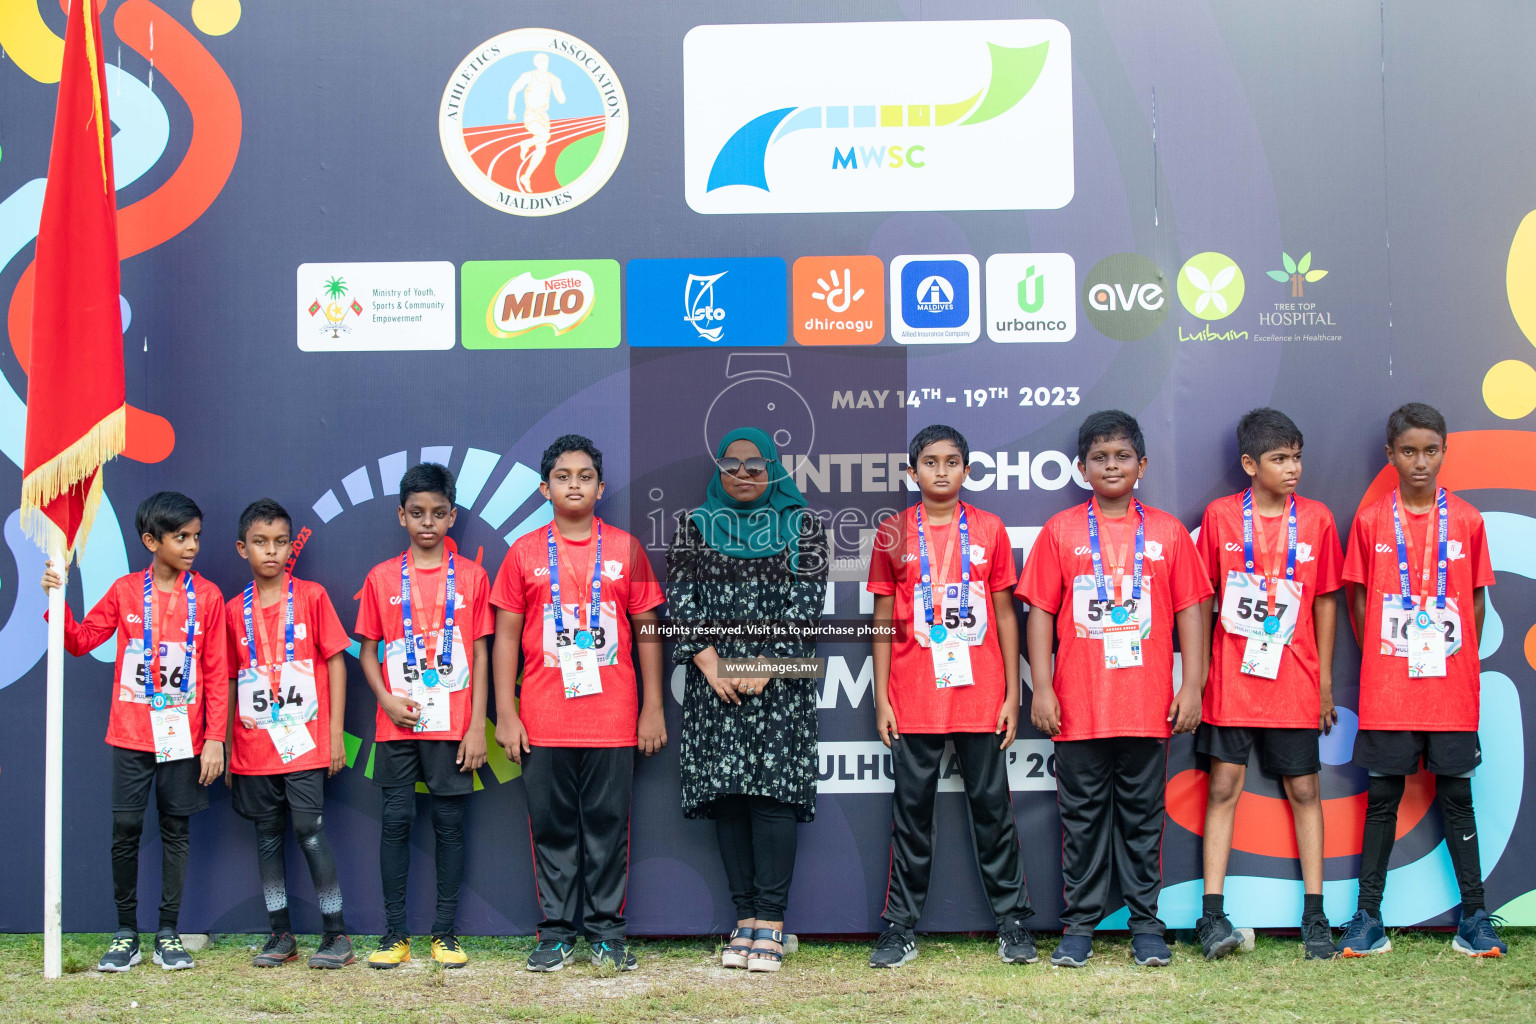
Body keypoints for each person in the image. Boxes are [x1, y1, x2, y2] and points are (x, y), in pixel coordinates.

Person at [1018, 411, 1210, 968]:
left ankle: (1146, 926)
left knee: (1142, 817)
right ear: (1081, 468)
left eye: (1122, 456)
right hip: (1078, 706)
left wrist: (1191, 685)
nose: (1111, 466)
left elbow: (1191, 612)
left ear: (1142, 465)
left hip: (1148, 705)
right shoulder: (1062, 530)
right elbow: (1040, 614)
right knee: (1080, 818)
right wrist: (1044, 689)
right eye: (1099, 458)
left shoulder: (1169, 532)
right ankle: (1079, 926)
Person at [491, 435, 667, 972]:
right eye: (563, 476)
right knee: (552, 828)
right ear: (545, 488)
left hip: (613, 718)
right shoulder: (523, 553)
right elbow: (504, 637)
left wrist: (652, 707)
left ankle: (607, 931)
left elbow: (646, 631)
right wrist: (506, 710)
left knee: (609, 828)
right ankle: (556, 932)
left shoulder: (626, 548)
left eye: (585, 475)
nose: (574, 484)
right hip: (543, 720)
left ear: (601, 486)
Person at [1336, 403, 1505, 957]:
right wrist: (1388, 658)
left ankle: (1475, 918)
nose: (1420, 462)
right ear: (1390, 455)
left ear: (1444, 452)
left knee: (1458, 796)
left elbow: (1475, 601)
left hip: (1450, 691)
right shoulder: (1370, 522)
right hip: (1388, 690)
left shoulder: (1468, 520)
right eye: (1408, 451)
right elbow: (1357, 600)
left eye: (1430, 450)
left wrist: (1454, 660)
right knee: (1382, 797)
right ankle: (1368, 917)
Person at [865, 424, 1036, 968]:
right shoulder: (892, 533)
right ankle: (898, 927)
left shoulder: (990, 529)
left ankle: (1013, 922)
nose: (942, 471)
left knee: (992, 809)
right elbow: (885, 617)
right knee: (910, 813)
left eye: (952, 461)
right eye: (931, 462)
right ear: (912, 472)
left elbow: (1007, 613)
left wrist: (1012, 693)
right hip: (913, 696)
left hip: (981, 694)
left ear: (966, 469)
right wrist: (882, 700)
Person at [41, 491, 228, 972]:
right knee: (125, 829)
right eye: (180, 537)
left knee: (176, 830)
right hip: (130, 735)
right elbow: (81, 642)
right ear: (151, 540)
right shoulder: (126, 591)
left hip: (183, 737)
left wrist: (213, 738)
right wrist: (56, 600)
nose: (191, 546)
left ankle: (168, 933)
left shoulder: (207, 597)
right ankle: (126, 933)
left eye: (196, 537)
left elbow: (215, 669)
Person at [667, 427, 828, 973]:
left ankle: (773, 924)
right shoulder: (694, 527)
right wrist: (713, 665)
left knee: (772, 798)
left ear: (774, 469)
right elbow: (681, 603)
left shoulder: (804, 527)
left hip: (779, 684)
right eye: (731, 465)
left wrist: (762, 666)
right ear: (718, 469)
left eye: (756, 466)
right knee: (729, 797)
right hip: (715, 685)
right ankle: (744, 922)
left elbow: (807, 607)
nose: (743, 475)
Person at [1193, 409, 1343, 961]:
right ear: (1250, 464)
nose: (1293, 468)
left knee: (1304, 791)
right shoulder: (1220, 516)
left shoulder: (1320, 519)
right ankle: (1212, 915)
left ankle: (1315, 913)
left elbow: (1326, 598)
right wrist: (1203, 675)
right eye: (1280, 459)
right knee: (1224, 788)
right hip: (1232, 679)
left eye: (1297, 456)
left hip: (1295, 679)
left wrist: (1324, 680)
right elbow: (1203, 597)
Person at [354, 463, 493, 968]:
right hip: (399, 724)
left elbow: (480, 655)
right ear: (401, 517)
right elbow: (367, 651)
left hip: (454, 726)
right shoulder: (381, 577)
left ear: (452, 516)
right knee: (395, 822)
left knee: (450, 826)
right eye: (417, 513)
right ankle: (394, 935)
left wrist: (477, 725)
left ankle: (445, 934)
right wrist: (386, 700)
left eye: (438, 513)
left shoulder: (474, 577)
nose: (427, 522)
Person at [224, 499, 354, 968]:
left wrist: (335, 734)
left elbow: (337, 661)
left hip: (306, 743)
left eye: (280, 542)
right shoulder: (230, 609)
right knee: (266, 837)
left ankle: (336, 935)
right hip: (254, 747)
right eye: (261, 543)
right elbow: (225, 679)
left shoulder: (313, 597)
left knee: (309, 831)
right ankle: (281, 935)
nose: (272, 552)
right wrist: (222, 745)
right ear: (243, 548)